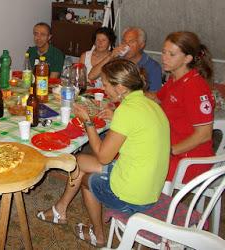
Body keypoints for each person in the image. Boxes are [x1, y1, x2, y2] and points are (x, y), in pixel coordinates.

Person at [37, 59, 170, 247]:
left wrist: (87, 121)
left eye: (106, 84)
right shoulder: (150, 104)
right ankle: (60, 210)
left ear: (121, 87)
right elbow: (137, 129)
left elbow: (103, 156)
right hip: (149, 184)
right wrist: (115, 117)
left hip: (133, 197)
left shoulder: (128, 110)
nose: (104, 89)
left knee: (86, 180)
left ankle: (98, 235)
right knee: (79, 160)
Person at [148, 31, 215, 183]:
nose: (164, 58)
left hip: (190, 160)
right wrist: (127, 91)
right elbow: (155, 99)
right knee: (126, 152)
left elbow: (204, 134)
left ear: (187, 58)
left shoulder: (194, 87)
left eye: (171, 54)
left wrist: (169, 151)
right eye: (164, 52)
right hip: (172, 145)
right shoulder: (175, 78)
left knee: (135, 164)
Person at [95, 27, 162, 92]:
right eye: (124, 41)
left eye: (131, 41)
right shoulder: (118, 60)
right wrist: (111, 56)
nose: (126, 46)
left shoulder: (153, 67)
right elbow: (91, 76)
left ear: (142, 45)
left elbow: (155, 96)